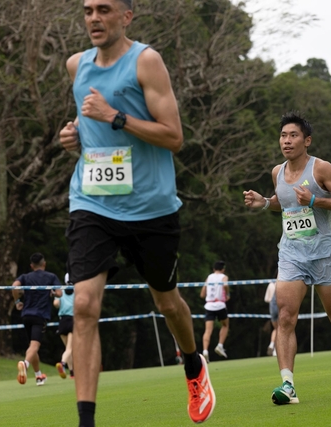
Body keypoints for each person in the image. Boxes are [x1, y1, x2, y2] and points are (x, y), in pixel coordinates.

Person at [58, 0, 214, 424]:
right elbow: (88, 124)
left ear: (126, 16)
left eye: (104, 9)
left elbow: (174, 136)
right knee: (84, 304)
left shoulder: (146, 61)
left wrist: (115, 117)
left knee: (167, 302)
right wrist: (74, 136)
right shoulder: (75, 65)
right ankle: (86, 420)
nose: (94, 18)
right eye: (87, 10)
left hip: (150, 208)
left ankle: (193, 364)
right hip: (92, 202)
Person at [243, 111, 331, 406]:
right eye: (283, 136)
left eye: (293, 136)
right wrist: (264, 203)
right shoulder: (277, 172)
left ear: (306, 141)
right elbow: (284, 203)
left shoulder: (321, 169)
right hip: (291, 253)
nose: (286, 141)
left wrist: (315, 200)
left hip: (323, 253)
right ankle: (288, 385)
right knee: (285, 316)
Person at [12, 253, 61, 386]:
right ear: (44, 264)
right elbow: (59, 293)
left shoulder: (25, 277)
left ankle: (39, 376)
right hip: (40, 316)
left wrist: (17, 301)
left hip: (26, 315)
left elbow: (15, 286)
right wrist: (52, 292)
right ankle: (25, 365)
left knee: (32, 347)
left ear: (31, 266)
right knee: (35, 346)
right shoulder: (51, 276)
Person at [200, 261, 230, 362]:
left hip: (209, 306)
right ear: (223, 269)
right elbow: (225, 285)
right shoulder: (224, 277)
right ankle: (220, 345)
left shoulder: (209, 277)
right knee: (225, 325)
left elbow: (202, 294)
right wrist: (227, 294)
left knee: (208, 330)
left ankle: (205, 351)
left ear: (213, 269)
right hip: (220, 305)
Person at [54, 273, 75, 379]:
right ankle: (62, 363)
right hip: (72, 320)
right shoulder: (77, 290)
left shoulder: (60, 290)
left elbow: (56, 304)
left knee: (67, 349)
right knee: (69, 349)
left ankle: (72, 372)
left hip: (62, 321)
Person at [264, 277, 278, 356]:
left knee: (276, 329)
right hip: (279, 306)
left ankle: (272, 344)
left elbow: (266, 299)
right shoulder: (282, 282)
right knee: (281, 330)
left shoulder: (270, 284)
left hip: (271, 308)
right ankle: (275, 349)